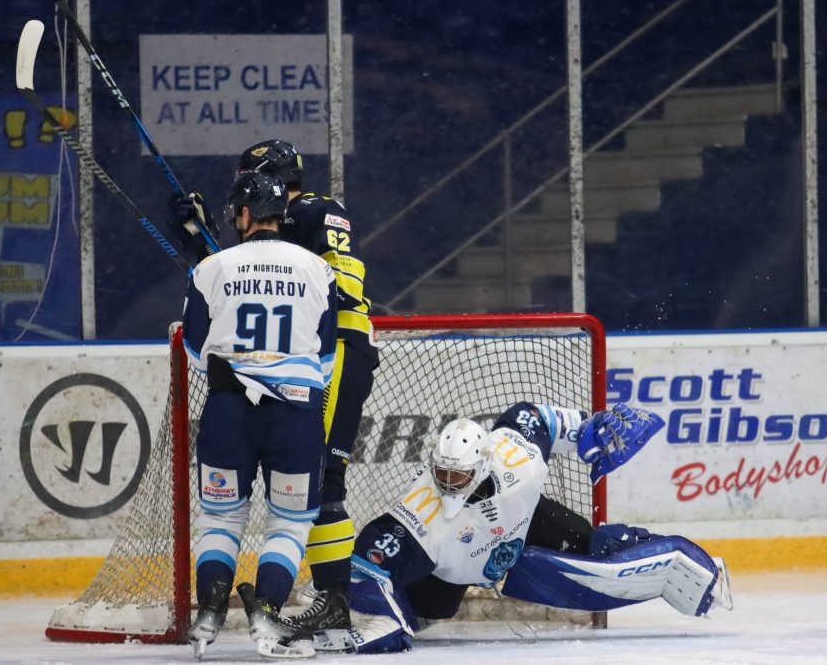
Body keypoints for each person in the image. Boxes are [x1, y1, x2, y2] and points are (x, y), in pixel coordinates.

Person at [169, 140, 380, 641]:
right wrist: (204, 246)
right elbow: (262, 277)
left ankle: (333, 602)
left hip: (338, 346)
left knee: (323, 482)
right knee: (312, 491)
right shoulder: (294, 229)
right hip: (314, 359)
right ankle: (329, 600)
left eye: (247, 176)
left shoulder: (312, 209)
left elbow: (267, 276)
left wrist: (209, 251)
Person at [318, 402, 732, 654]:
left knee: (594, 550)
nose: (447, 484)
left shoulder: (515, 455)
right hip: (452, 566)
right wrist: (370, 612)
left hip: (522, 525)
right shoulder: (420, 513)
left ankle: (696, 569)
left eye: (458, 476)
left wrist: (593, 429)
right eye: (441, 473)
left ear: (481, 465)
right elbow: (372, 553)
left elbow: (537, 418)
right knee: (432, 609)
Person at [180, 171, 338, 660]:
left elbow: (194, 350)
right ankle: (266, 609)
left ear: (245, 214)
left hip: (229, 411)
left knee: (221, 518)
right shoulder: (317, 268)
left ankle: (209, 609)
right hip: (296, 413)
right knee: (289, 525)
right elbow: (327, 357)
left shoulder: (212, 267)